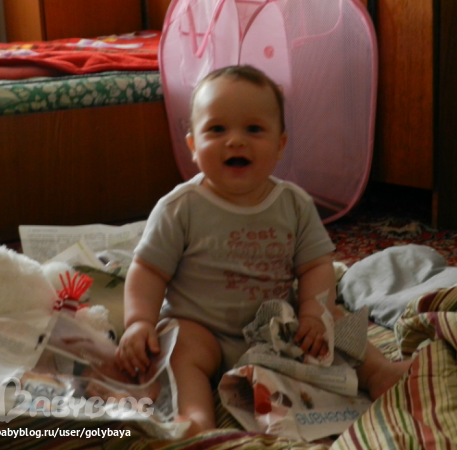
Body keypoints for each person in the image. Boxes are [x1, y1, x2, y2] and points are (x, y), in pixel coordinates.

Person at [115, 65, 411, 437]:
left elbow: (316, 266)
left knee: (334, 319)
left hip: (276, 329)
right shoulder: (180, 207)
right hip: (202, 328)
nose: (235, 141)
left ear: (280, 145)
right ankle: (196, 416)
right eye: (217, 129)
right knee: (177, 347)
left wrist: (312, 313)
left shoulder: (294, 204)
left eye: (254, 129)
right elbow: (147, 270)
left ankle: (379, 373)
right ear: (193, 146)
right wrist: (138, 322)